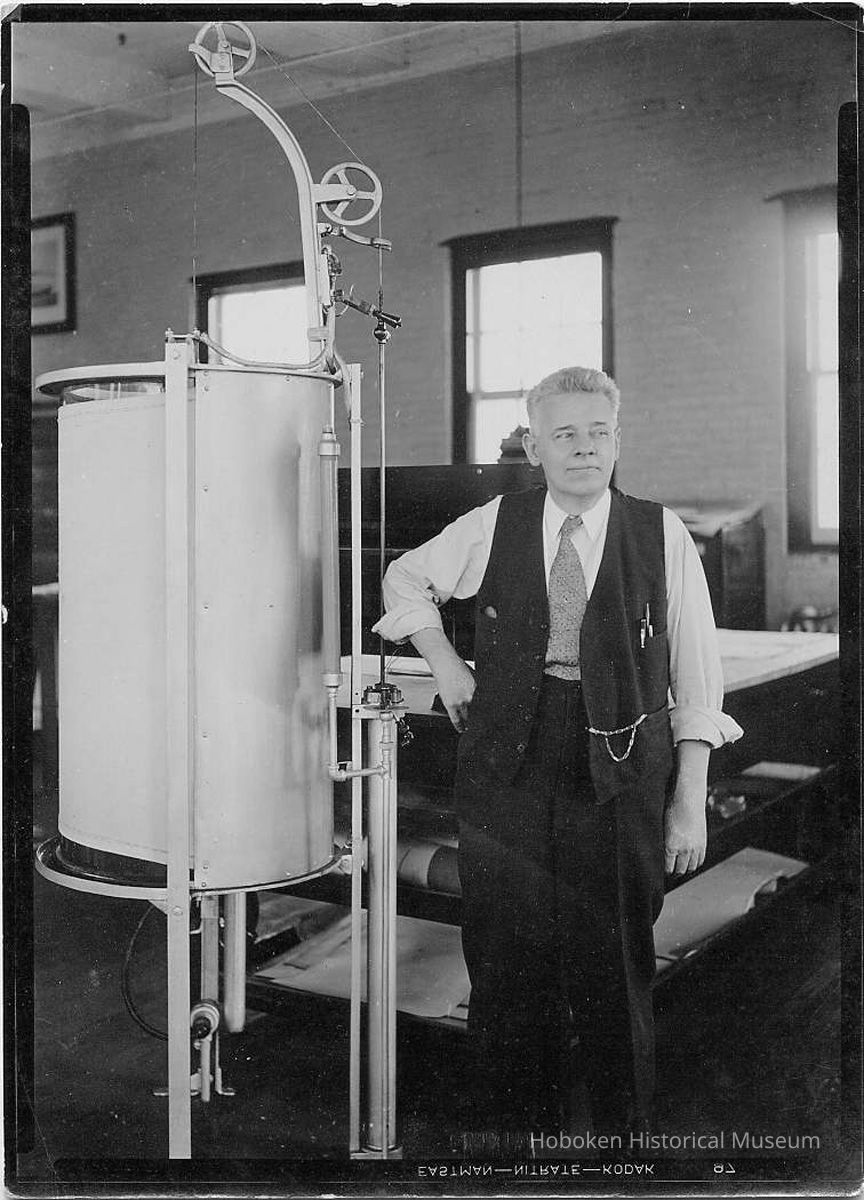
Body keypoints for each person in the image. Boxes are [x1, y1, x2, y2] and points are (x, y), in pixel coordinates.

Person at [373, 366, 742, 1147]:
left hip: (621, 772)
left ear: (618, 441)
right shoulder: (493, 522)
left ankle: (621, 1155)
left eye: (597, 433)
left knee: (615, 971)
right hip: (507, 766)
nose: (583, 449)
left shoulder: (659, 532)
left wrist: (687, 802)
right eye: (563, 435)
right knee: (506, 972)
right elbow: (404, 579)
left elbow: (698, 676)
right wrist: (445, 662)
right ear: (533, 447)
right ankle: (513, 1155)